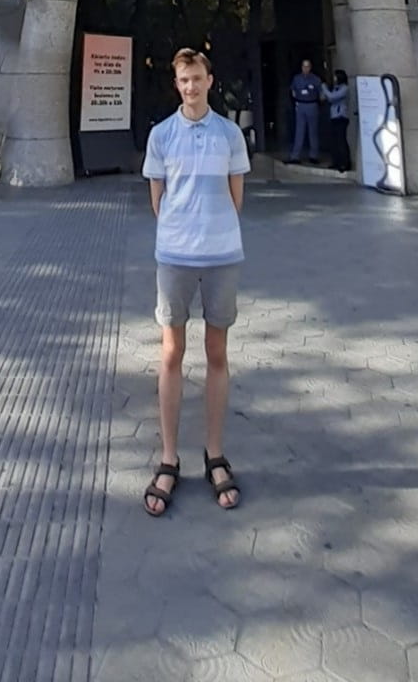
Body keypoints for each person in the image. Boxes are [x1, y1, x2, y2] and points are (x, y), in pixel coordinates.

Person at [141, 48, 251, 518]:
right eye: (184, 79)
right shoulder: (161, 135)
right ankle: (169, 456)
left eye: (197, 78)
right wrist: (182, 232)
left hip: (222, 253)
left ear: (210, 80)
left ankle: (214, 452)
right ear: (176, 83)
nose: (191, 87)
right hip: (175, 257)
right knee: (171, 353)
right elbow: (157, 199)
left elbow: (236, 196)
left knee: (217, 354)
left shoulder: (229, 134)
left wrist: (212, 229)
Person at [287, 58, 322, 164]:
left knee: (313, 131)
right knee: (299, 131)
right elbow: (292, 90)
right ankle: (295, 156)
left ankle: (313, 155)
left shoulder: (316, 79)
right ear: (301, 67)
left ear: (310, 67)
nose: (305, 68)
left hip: (312, 104)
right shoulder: (297, 78)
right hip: (301, 104)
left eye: (307, 66)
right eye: (304, 66)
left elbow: (321, 93)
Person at [323, 69, 352, 172]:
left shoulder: (344, 89)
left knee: (341, 141)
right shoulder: (336, 88)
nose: (334, 78)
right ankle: (336, 162)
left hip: (341, 117)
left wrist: (324, 88)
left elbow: (332, 97)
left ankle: (345, 163)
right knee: (334, 141)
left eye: (335, 77)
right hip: (334, 117)